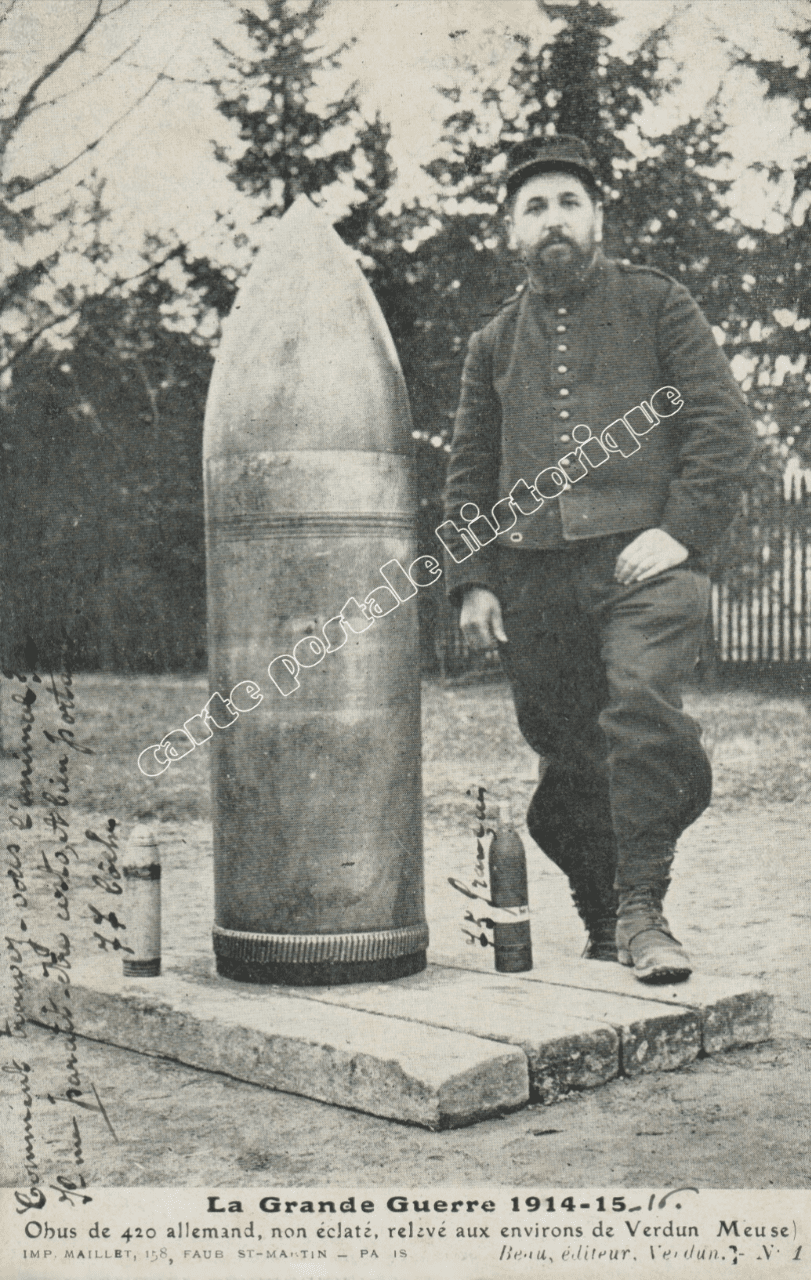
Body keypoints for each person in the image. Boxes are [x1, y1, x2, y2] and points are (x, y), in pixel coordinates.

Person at [441, 134, 754, 983]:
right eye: (534, 207)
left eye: (568, 203)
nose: (553, 221)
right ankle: (600, 915)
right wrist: (472, 579)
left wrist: (681, 530)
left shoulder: (657, 304)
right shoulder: (491, 344)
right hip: (533, 573)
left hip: (644, 564)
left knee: (641, 707)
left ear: (597, 218)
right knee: (563, 746)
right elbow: (469, 470)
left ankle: (644, 908)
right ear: (510, 233)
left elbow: (720, 426)